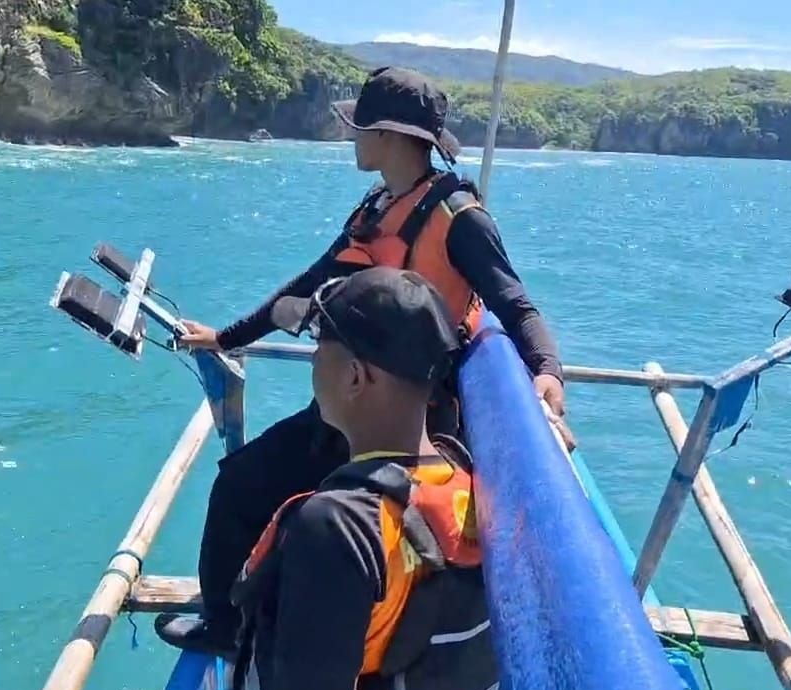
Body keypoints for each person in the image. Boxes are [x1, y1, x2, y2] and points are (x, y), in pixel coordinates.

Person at [157, 65, 566, 656]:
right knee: (240, 485)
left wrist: (547, 372)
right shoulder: (378, 204)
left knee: (248, 489)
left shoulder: (460, 220)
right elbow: (312, 279)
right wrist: (225, 337)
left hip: (410, 419)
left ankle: (240, 628)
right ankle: (230, 622)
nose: (351, 137)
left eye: (360, 127)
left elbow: (516, 304)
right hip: (348, 400)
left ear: (392, 138)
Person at [227, 267, 499, 690]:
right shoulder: (469, 488)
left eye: (319, 347)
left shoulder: (338, 527)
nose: (313, 362)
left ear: (355, 377)